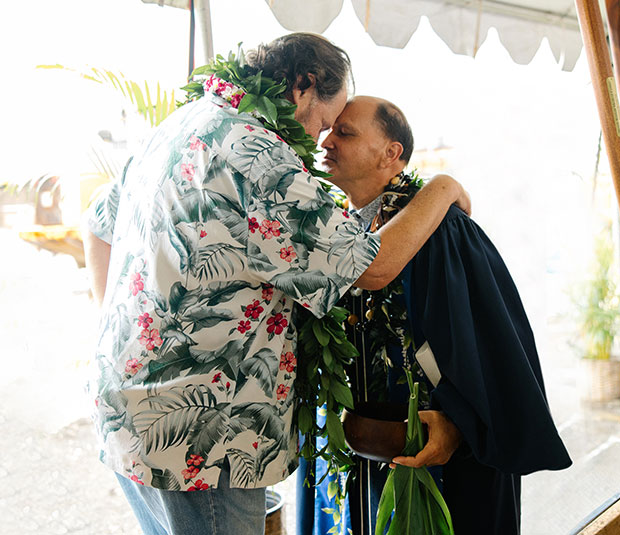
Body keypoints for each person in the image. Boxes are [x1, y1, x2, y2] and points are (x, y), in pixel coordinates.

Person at [82, 34, 469, 535]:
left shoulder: (189, 120)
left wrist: (122, 326)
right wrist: (443, 187)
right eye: (326, 124)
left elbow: (97, 222)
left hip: (130, 402)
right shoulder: (257, 152)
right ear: (305, 87)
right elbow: (370, 267)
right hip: (202, 431)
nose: (319, 142)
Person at [297, 96, 572, 535]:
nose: (327, 140)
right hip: (361, 447)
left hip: (440, 452)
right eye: (330, 130)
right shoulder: (335, 234)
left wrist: (459, 426)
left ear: (392, 153)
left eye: (345, 133)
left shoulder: (442, 228)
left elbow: (486, 343)